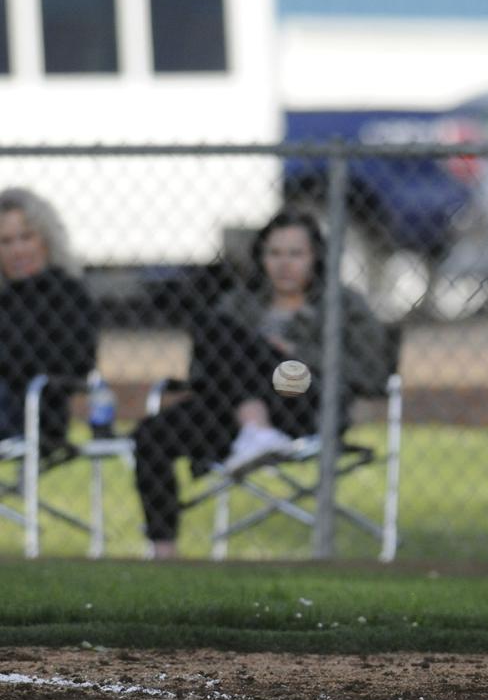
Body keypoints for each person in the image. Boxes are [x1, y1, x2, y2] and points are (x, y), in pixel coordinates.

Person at [132, 210, 387, 559]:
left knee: (246, 345)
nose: (284, 264)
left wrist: (296, 353)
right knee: (152, 433)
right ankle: (163, 552)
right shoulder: (239, 304)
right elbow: (203, 370)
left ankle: (258, 428)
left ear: (316, 257)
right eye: (274, 253)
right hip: (231, 409)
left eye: (296, 254)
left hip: (304, 402)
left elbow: (371, 372)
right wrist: (249, 356)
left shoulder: (343, 305)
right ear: (261, 257)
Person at [0, 188, 99, 447]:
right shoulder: (5, 297)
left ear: (45, 240)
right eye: (6, 242)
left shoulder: (66, 294)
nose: (17, 251)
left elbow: (76, 360)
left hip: (33, 408)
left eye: (26, 237)